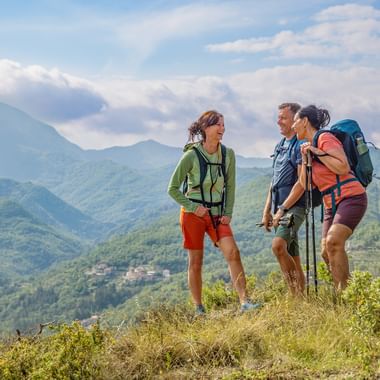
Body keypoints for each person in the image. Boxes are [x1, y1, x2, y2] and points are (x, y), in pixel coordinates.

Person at [168, 110, 260, 314]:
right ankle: (199, 308)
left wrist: (228, 212)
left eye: (223, 125)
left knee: (233, 253)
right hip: (193, 215)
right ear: (205, 128)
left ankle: (245, 302)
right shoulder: (191, 156)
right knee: (196, 262)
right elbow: (172, 188)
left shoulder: (228, 155)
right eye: (218, 124)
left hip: (218, 215)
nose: (222, 129)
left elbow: (231, 186)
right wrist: (193, 207)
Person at [292, 105, 367, 290]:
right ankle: (344, 292)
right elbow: (307, 185)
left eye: (295, 121)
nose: (293, 126)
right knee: (326, 251)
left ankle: (346, 296)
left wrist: (317, 152)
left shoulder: (325, 138)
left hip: (351, 197)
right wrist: (304, 159)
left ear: (304, 121)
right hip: (330, 203)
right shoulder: (307, 147)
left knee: (334, 241)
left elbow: (342, 167)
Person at [261, 103, 306, 295]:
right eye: (278, 117)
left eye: (283, 117)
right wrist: (267, 210)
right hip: (280, 206)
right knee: (293, 256)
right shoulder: (280, 146)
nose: (278, 121)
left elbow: (302, 183)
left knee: (278, 246)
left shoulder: (298, 145)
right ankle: (301, 301)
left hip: (295, 207)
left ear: (295, 120)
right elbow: (274, 180)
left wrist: (281, 210)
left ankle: (294, 295)